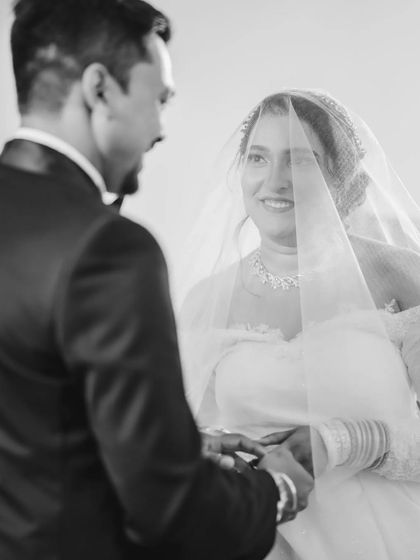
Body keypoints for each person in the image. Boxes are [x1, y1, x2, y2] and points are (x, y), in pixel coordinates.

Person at [0, 2, 315, 559]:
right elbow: (169, 511)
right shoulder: (106, 248)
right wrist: (276, 489)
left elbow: (32, 417)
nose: (160, 128)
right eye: (158, 99)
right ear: (99, 88)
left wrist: (179, 446)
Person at [177, 89, 420, 559]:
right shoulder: (206, 299)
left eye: (300, 161)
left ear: (341, 175)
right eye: (258, 158)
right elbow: (178, 447)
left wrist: (348, 442)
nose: (274, 180)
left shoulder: (401, 276)